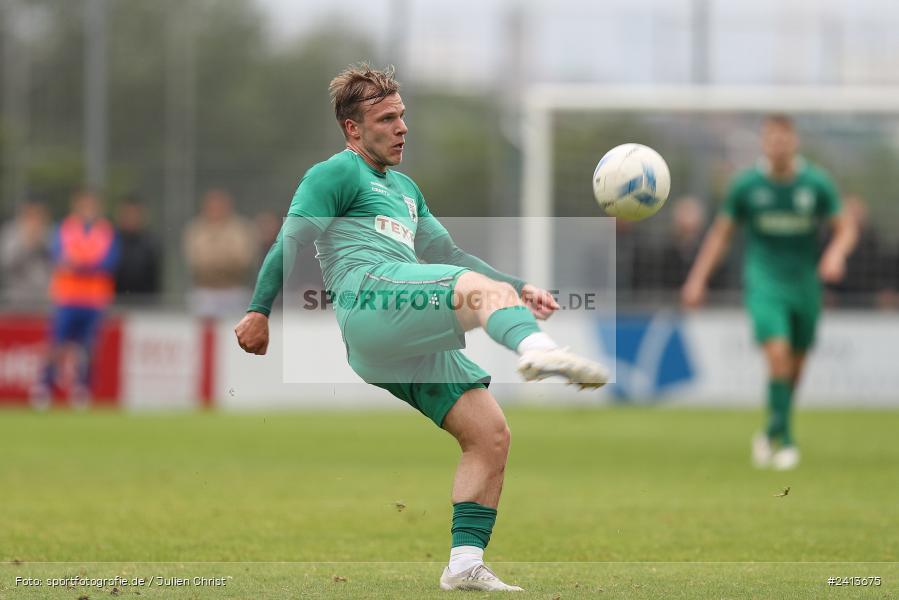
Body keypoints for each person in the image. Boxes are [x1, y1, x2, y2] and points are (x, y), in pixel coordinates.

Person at [233, 64, 608, 592]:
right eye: (386, 119)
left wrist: (517, 286)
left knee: (490, 435)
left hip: (395, 338)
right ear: (352, 129)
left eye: (402, 116)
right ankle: (540, 351)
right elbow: (289, 242)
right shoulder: (334, 174)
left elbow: (448, 254)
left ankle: (464, 563)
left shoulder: (406, 188)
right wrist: (259, 309)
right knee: (474, 289)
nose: (402, 127)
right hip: (371, 301)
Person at [682, 114, 856, 470]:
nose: (777, 145)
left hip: (805, 284)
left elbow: (845, 227)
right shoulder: (746, 186)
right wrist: (697, 279)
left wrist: (836, 253)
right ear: (763, 143)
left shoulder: (816, 184)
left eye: (783, 139)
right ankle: (787, 442)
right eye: (771, 139)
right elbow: (720, 235)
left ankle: (770, 429)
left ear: (794, 142)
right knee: (777, 355)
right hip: (764, 282)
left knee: (795, 367)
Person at [33, 188, 119, 407]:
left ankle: (83, 388)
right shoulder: (65, 229)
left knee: (89, 346)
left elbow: (108, 263)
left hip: (94, 299)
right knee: (57, 344)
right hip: (68, 298)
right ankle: (45, 385)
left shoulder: (106, 231)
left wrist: (80, 263)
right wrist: (86, 263)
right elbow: (58, 257)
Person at [183, 188, 256, 317]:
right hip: (205, 291)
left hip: (234, 290)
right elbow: (196, 261)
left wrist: (216, 259)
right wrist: (224, 257)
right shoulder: (195, 229)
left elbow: (243, 259)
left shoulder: (240, 229)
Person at [0, 200, 52, 307]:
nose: (36, 220)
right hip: (16, 298)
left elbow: (55, 265)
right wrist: (28, 242)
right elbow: (7, 263)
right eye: (31, 216)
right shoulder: (10, 233)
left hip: (44, 298)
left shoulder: (49, 234)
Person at [114, 196, 162, 304]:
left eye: (135, 213)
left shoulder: (151, 243)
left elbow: (154, 280)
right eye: (128, 213)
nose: (131, 218)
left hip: (144, 305)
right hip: (116, 303)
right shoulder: (112, 240)